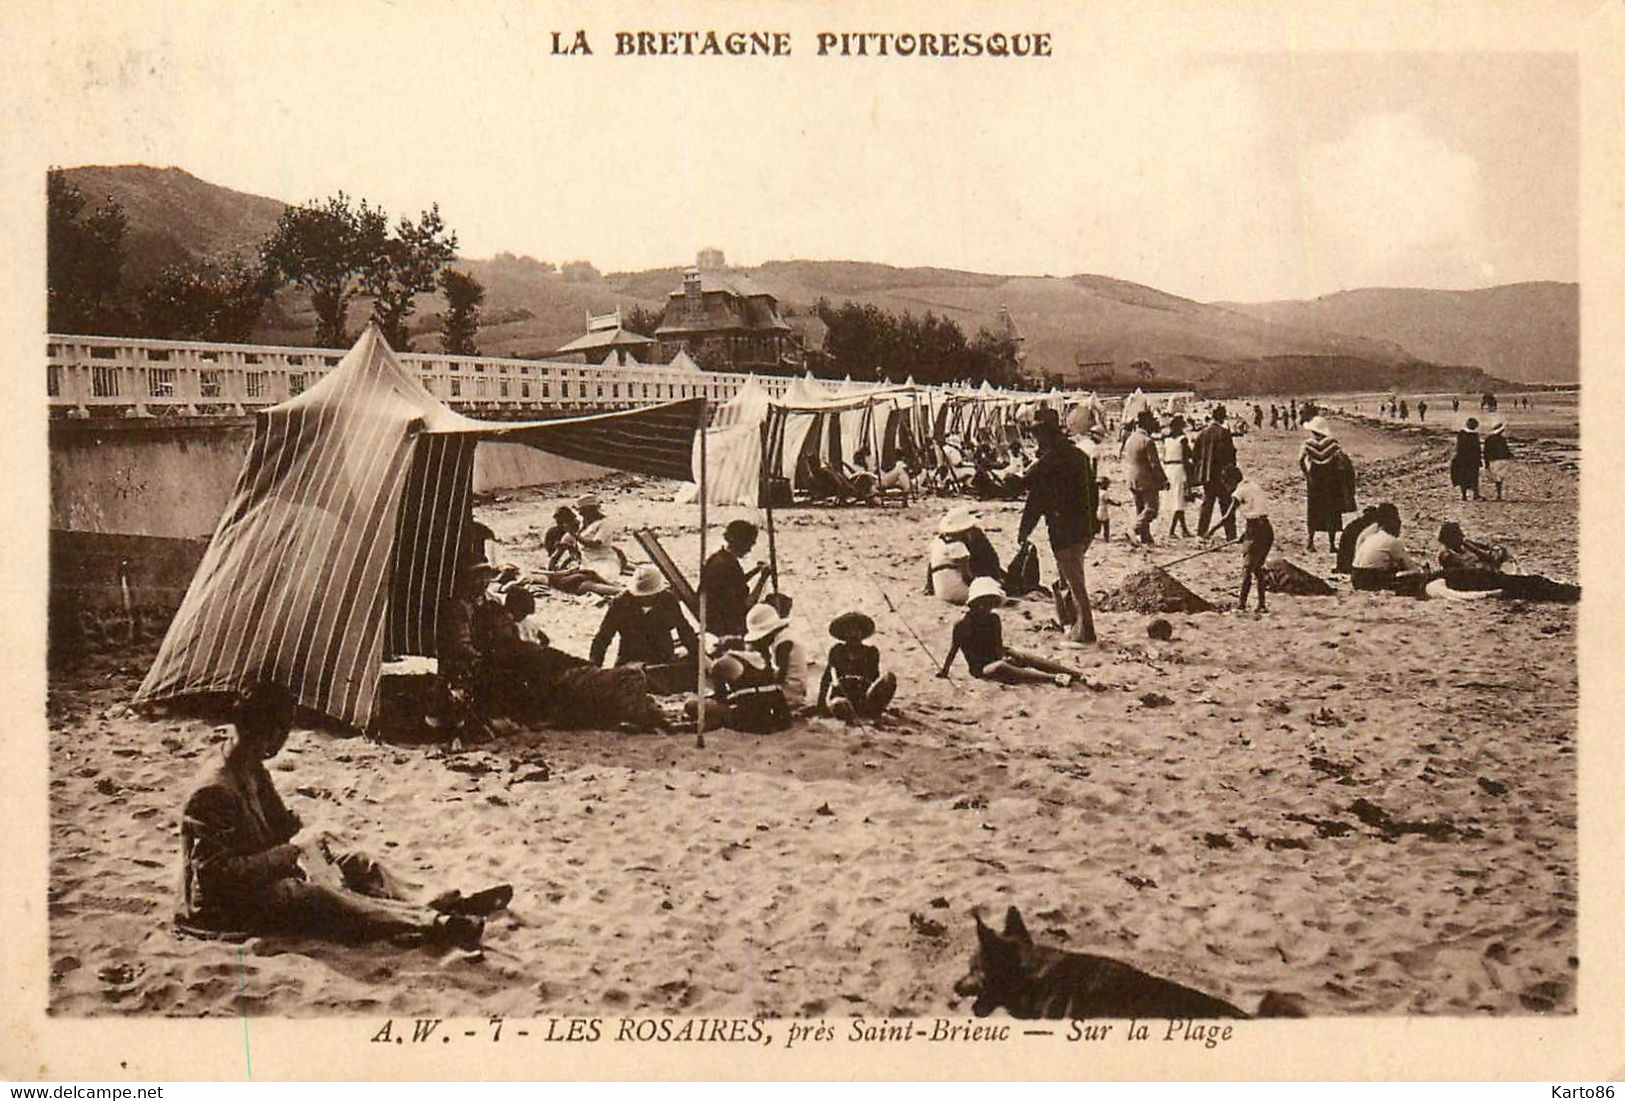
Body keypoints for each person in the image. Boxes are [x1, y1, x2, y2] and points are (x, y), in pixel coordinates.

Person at [177, 684, 503, 947]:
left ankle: (421, 902)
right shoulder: (214, 790)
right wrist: (284, 856)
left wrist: (307, 841)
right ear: (272, 734)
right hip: (224, 909)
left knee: (354, 862)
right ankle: (430, 921)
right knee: (315, 895)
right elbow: (215, 877)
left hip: (261, 874)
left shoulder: (249, 766)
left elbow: (280, 825)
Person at [1016, 416, 1098, 645]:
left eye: (1037, 438)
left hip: (1063, 529)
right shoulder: (1079, 456)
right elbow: (1093, 492)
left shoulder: (1048, 462)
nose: (1036, 443)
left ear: (1046, 436)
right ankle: (1071, 624)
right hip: (1084, 527)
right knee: (1068, 578)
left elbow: (1034, 500)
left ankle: (1085, 631)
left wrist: (1024, 531)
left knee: (1074, 582)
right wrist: (1092, 524)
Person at [938, 578, 1083, 686]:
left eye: (991, 603)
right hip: (981, 669)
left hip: (996, 658)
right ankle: (1053, 678)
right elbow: (953, 650)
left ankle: (1076, 674)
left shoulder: (993, 619)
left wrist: (1007, 654)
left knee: (1023, 656)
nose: (987, 607)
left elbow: (997, 645)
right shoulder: (963, 624)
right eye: (984, 603)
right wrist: (945, 670)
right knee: (1000, 667)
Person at [589, 565, 700, 693]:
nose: (645, 598)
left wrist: (697, 655)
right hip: (630, 658)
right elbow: (603, 637)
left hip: (662, 658)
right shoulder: (620, 603)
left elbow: (684, 631)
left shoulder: (667, 600)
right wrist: (594, 667)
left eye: (650, 595)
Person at [1435, 522, 1580, 603]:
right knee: (1533, 584)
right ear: (1450, 537)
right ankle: (1571, 593)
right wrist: (1475, 551)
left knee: (1534, 581)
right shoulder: (1447, 555)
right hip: (1486, 579)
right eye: (1459, 534)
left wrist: (1471, 546)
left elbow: (1492, 552)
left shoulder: (1466, 545)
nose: (1463, 536)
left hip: (1493, 574)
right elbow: (1468, 570)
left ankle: (1569, 590)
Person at [1210, 465, 1274, 613]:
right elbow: (1256, 514)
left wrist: (1210, 531)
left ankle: (1241, 605)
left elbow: (1227, 517)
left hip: (1256, 531)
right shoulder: (1252, 485)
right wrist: (1245, 535)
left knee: (1247, 569)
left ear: (1232, 480)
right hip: (1266, 530)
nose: (1226, 487)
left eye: (1226, 482)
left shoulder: (1239, 491)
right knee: (1257, 568)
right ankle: (1262, 605)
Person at [817, 612, 898, 722]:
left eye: (856, 630)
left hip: (864, 697)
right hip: (843, 696)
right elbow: (827, 677)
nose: (853, 634)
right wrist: (821, 705)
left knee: (890, 678)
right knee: (840, 705)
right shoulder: (837, 650)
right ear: (844, 634)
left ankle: (873, 712)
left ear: (862, 633)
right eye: (849, 631)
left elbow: (875, 678)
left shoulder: (871, 652)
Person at [1298, 417, 1356, 553]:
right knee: (1332, 510)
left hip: (1315, 479)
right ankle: (1331, 545)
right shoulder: (1333, 444)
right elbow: (1341, 461)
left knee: (1313, 510)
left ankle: (1310, 542)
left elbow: (1301, 460)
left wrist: (1307, 476)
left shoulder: (1308, 444)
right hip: (1331, 480)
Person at [700, 519, 764, 638]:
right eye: (749, 544)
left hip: (711, 615)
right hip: (726, 624)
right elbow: (747, 603)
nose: (749, 549)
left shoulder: (717, 558)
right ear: (741, 543)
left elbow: (734, 583)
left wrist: (755, 571)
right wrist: (763, 579)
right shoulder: (730, 566)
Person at [1350, 505, 1427, 594]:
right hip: (1372, 580)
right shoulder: (1392, 541)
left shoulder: (1371, 536)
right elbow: (1411, 567)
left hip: (1356, 578)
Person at [1192, 405, 1238, 540]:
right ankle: (1231, 535)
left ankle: (1201, 533)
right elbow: (1231, 455)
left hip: (1207, 476)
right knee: (1226, 505)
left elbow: (1195, 455)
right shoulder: (1224, 433)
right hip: (1222, 476)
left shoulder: (1202, 433)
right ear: (1222, 417)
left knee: (1207, 506)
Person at [1123, 411, 1166, 545]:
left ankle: (1145, 537)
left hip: (1132, 477)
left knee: (1140, 508)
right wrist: (1163, 479)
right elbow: (1155, 464)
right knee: (1151, 509)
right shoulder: (1147, 441)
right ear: (1146, 423)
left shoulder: (1131, 439)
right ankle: (1133, 529)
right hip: (1146, 479)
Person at [571, 495, 626, 577]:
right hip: (587, 564)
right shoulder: (584, 525)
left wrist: (573, 534)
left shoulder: (604, 524)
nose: (580, 514)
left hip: (604, 563)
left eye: (582, 511)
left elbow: (595, 544)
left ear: (590, 510)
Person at [1160, 415, 1192, 539]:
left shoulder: (1166, 439)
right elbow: (1187, 455)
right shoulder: (1183, 440)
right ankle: (1172, 530)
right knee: (1179, 499)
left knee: (1177, 499)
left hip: (1168, 469)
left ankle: (1183, 529)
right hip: (1179, 468)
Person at [1451, 418, 1484, 501]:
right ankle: (1475, 495)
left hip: (1462, 459)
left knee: (1463, 478)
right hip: (1472, 460)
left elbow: (1459, 447)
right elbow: (1477, 449)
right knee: (1474, 478)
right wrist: (1479, 460)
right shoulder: (1475, 436)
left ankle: (1464, 495)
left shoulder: (1461, 434)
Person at [1482, 419, 1514, 500]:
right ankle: (1499, 494)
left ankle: (1497, 494)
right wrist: (1511, 456)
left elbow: (1486, 452)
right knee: (1500, 478)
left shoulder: (1488, 439)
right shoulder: (1502, 439)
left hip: (1493, 460)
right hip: (1503, 460)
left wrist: (1486, 464)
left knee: (1496, 478)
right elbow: (1506, 450)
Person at [1095, 475, 1118, 543]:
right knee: (1106, 525)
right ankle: (1106, 538)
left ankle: (1096, 536)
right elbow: (1108, 501)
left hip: (1097, 509)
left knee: (1098, 523)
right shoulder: (1105, 493)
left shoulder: (1097, 492)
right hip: (1103, 511)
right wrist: (1116, 503)